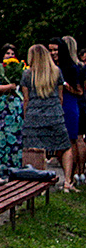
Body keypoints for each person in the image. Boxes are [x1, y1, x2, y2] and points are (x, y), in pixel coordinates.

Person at [21, 44, 76, 192]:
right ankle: (67, 182)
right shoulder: (56, 72)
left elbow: (26, 99)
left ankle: (40, 185)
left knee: (37, 149)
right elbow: (60, 96)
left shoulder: (27, 74)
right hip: (54, 113)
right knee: (65, 147)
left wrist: (26, 117)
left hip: (34, 115)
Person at [0, 44, 24, 181]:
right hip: (2, 107)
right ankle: (0, 170)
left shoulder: (18, 69)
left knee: (15, 137)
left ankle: (15, 168)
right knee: (1, 138)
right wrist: (8, 87)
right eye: (7, 53)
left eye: (12, 53)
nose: (10, 56)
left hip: (14, 107)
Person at [63, 35, 86, 184]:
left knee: (73, 139)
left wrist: (65, 85)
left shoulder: (70, 68)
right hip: (82, 104)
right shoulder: (81, 67)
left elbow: (79, 90)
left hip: (73, 103)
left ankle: (74, 172)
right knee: (79, 138)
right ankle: (81, 171)